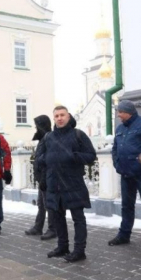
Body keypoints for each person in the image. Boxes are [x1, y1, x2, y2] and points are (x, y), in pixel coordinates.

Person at [38, 106, 97, 262]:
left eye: (62, 115)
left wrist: (73, 156)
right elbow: (39, 158)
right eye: (56, 115)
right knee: (58, 217)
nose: (59, 118)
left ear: (68, 116)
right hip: (54, 184)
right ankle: (62, 246)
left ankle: (79, 250)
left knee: (78, 218)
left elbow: (91, 156)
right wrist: (47, 160)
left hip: (73, 183)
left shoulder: (78, 135)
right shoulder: (48, 137)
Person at [109, 100, 141, 254]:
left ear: (129, 112)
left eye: (120, 112)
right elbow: (115, 148)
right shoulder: (120, 128)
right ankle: (124, 235)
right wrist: (117, 163)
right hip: (126, 173)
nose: (118, 115)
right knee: (126, 206)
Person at [25, 115, 57, 240]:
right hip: (42, 178)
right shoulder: (42, 138)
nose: (35, 128)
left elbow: (48, 161)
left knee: (49, 204)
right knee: (41, 204)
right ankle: (38, 227)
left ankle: (52, 229)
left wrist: (44, 178)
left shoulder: (48, 138)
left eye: (37, 125)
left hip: (47, 177)